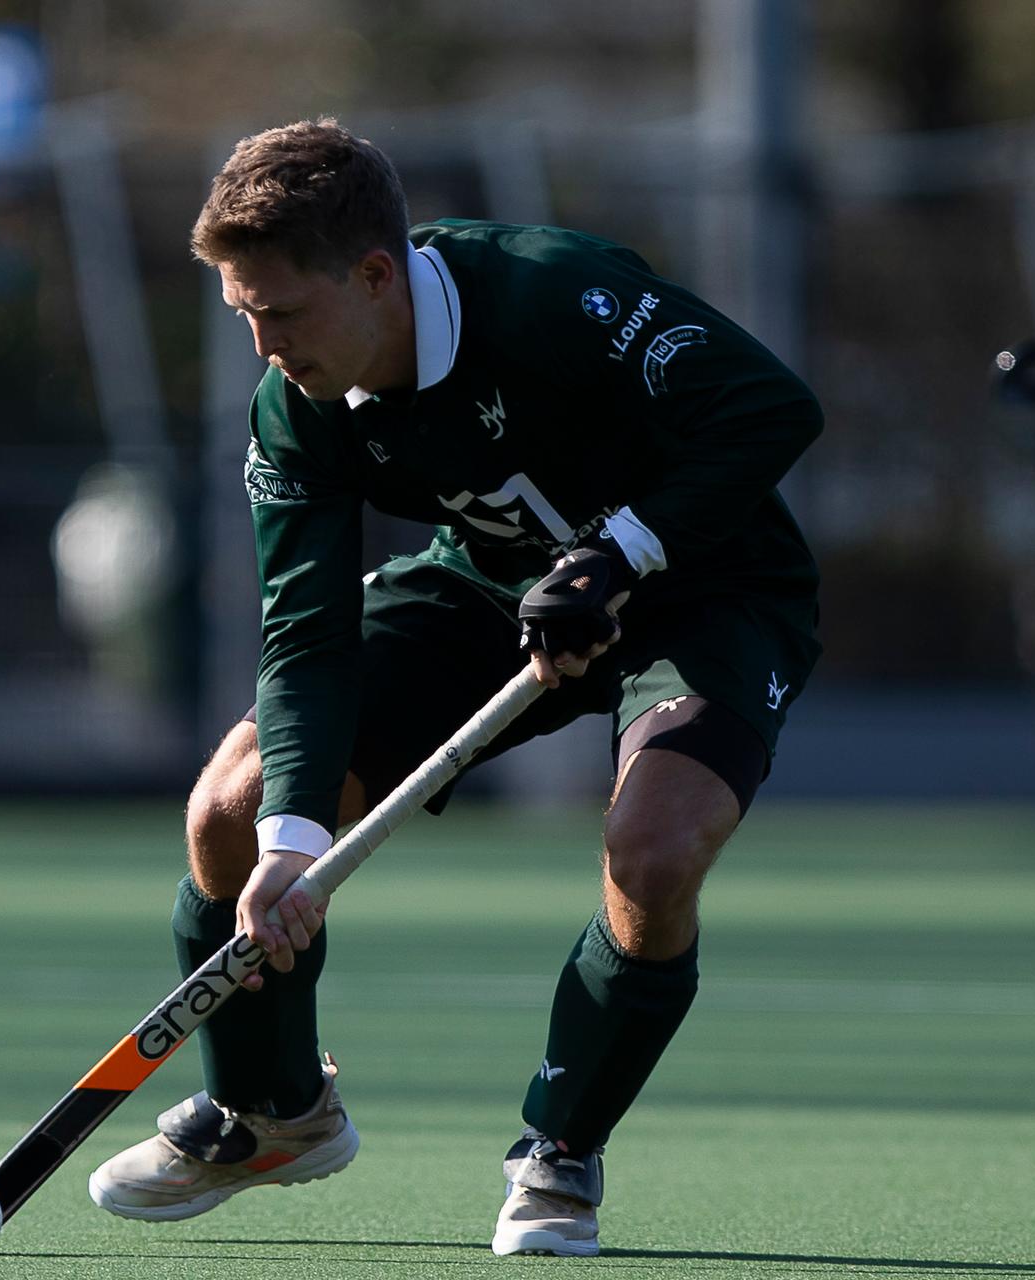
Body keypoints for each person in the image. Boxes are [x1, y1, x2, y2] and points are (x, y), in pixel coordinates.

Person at [86, 118, 821, 1256]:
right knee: (232, 811)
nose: (263, 345)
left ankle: (560, 1148)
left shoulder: (555, 295)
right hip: (495, 585)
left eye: (279, 311)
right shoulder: (297, 407)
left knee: (655, 851)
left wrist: (622, 549)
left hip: (706, 587)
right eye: (244, 315)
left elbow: (772, 408)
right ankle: (273, 1109)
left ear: (375, 275)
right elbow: (307, 635)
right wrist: (293, 838)